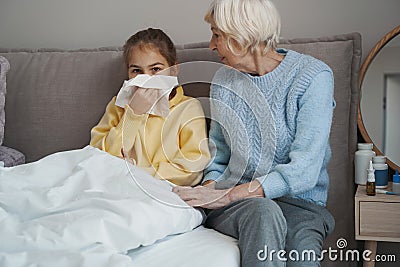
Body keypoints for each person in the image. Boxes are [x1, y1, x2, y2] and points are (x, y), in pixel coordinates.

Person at [172, 0, 335, 266]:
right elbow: (218, 157)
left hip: (300, 206)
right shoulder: (223, 81)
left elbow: (305, 169)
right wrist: (210, 189)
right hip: (241, 207)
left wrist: (228, 194)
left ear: (241, 33)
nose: (211, 45)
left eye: (216, 35)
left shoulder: (312, 77)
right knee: (263, 211)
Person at [90, 28, 210, 186]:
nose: (146, 78)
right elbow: (98, 156)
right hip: (117, 186)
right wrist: (133, 114)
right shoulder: (118, 105)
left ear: (173, 70)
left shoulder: (188, 108)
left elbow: (192, 169)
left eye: (155, 69)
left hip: (164, 192)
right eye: (137, 71)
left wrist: (138, 173)